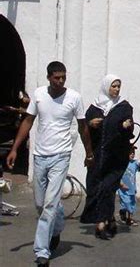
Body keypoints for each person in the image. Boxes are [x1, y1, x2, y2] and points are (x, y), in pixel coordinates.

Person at [6, 61, 93, 266]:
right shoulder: (39, 95)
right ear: (48, 77)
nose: (60, 81)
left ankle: (42, 252)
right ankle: (56, 226)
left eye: (63, 77)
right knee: (40, 202)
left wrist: (89, 153)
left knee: (49, 204)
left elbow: (83, 126)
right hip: (39, 155)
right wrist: (14, 148)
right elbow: (28, 120)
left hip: (61, 155)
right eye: (56, 77)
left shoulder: (74, 97)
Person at [80, 74, 134, 240]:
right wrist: (91, 124)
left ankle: (101, 224)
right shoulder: (94, 108)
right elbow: (84, 129)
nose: (116, 89)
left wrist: (125, 126)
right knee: (97, 188)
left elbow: (129, 130)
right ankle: (108, 218)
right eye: (113, 86)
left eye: (118, 86)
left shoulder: (124, 107)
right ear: (106, 87)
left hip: (117, 157)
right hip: (97, 157)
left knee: (107, 186)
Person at [118, 146, 140, 226]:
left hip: (132, 188)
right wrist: (121, 184)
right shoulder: (121, 164)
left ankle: (128, 218)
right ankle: (127, 216)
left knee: (131, 204)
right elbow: (117, 175)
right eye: (130, 152)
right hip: (123, 189)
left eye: (133, 153)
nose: (132, 154)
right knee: (127, 203)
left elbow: (139, 165)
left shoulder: (134, 163)